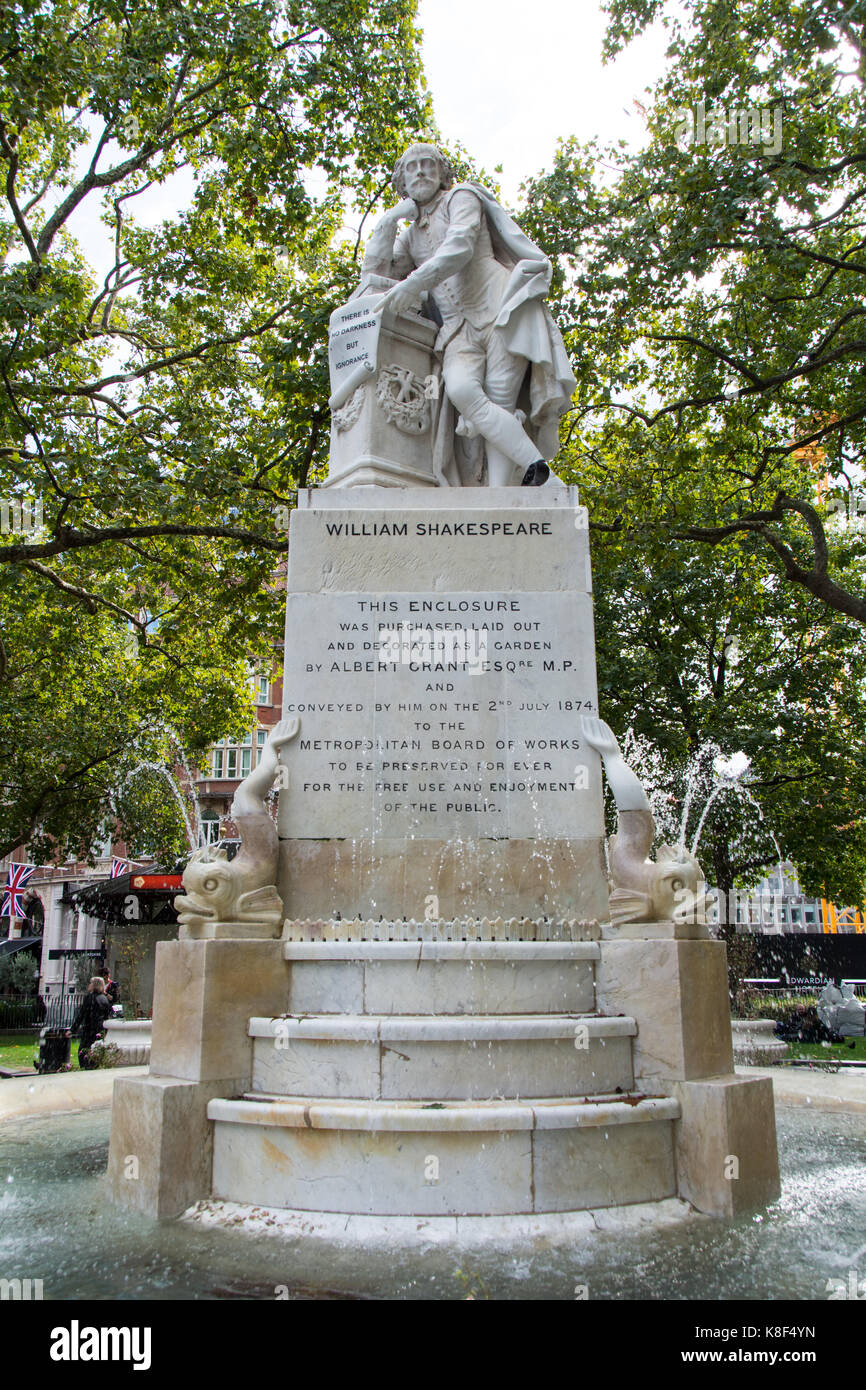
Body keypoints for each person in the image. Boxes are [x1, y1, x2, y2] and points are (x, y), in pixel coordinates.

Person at [362, 142, 576, 487]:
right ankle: (542, 473)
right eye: (411, 167)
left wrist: (414, 283)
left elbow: (459, 247)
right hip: (458, 331)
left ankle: (498, 496)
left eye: (428, 165)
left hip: (499, 309)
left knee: (500, 399)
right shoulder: (410, 236)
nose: (420, 172)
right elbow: (375, 274)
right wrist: (389, 220)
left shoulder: (462, 197)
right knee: (462, 390)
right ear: (401, 180)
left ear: (442, 173)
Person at [66, 976, 112, 1070]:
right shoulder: (104, 999)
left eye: (91, 983)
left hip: (89, 1029)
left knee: (83, 1051)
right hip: (100, 1030)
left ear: (94, 985)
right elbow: (107, 1016)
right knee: (96, 1050)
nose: (89, 985)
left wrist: (72, 1029)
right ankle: (94, 1066)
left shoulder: (90, 998)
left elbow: (81, 1015)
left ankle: (87, 1068)